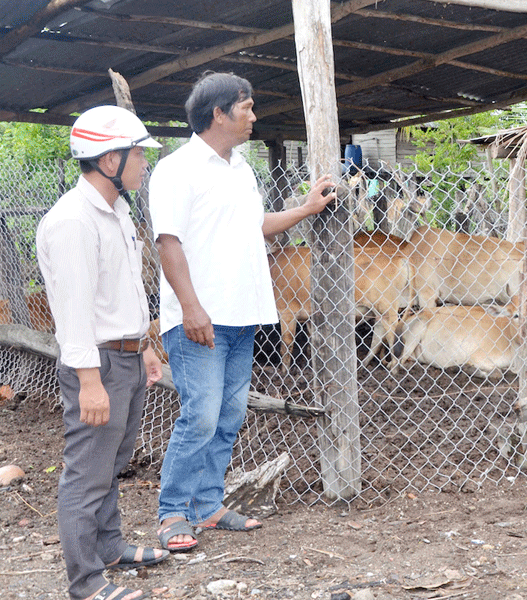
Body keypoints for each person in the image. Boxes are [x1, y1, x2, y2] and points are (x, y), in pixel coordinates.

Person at [149, 72, 335, 552]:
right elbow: (168, 242)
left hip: (242, 315)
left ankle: (208, 506)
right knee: (201, 417)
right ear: (218, 114)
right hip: (200, 319)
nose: (254, 117)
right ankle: (172, 514)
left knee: (229, 415)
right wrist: (191, 308)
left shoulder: (241, 169)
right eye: (247, 108)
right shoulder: (177, 169)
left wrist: (307, 208)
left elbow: (259, 225)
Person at [37, 105, 167, 600]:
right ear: (108, 158)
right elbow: (72, 312)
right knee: (86, 475)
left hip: (127, 356)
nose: (144, 163)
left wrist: (146, 347)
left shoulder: (116, 211)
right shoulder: (72, 220)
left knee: (113, 462)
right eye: (138, 154)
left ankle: (110, 547)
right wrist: (89, 380)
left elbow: (125, 291)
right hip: (97, 363)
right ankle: (86, 582)